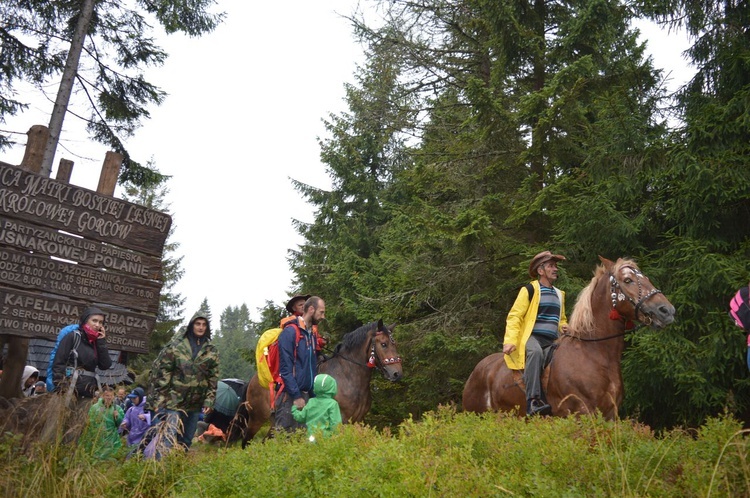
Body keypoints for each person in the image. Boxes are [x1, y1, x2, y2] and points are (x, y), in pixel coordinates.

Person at [502, 251, 569, 416]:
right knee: (535, 352)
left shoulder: (560, 295)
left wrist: (564, 326)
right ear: (541, 271)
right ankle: (533, 401)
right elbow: (515, 316)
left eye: (556, 266)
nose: (555, 269)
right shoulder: (530, 289)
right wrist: (510, 340)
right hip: (532, 338)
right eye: (551, 266)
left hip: (552, 340)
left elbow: (560, 318)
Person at [147, 311, 219, 454]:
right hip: (173, 400)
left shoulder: (211, 351)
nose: (200, 327)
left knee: (186, 440)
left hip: (195, 402)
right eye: (198, 324)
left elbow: (213, 378)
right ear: (192, 325)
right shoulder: (177, 346)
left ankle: (178, 468)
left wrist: (209, 400)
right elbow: (164, 372)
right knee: (168, 436)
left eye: (204, 324)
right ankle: (159, 470)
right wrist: (160, 399)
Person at [274, 296, 326, 432]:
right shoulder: (290, 332)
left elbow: (311, 368)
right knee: (283, 439)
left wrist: (314, 396)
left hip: (305, 395)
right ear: (311, 309)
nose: (323, 316)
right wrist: (296, 396)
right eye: (321, 312)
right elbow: (285, 369)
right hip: (290, 396)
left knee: (302, 440)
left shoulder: (311, 334)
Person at [51, 306, 112, 397]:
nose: (97, 325)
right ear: (85, 320)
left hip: (88, 391)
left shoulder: (97, 342)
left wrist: (101, 341)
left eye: (100, 322)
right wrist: (62, 388)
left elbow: (105, 365)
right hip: (69, 390)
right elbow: (58, 363)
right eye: (94, 320)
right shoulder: (73, 337)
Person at [291, 373, 342, 441]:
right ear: (332, 387)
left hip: (311, 438)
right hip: (326, 440)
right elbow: (336, 424)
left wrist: (294, 409)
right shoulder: (332, 404)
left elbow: (301, 417)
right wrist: (337, 438)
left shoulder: (311, 402)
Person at [81, 385, 125, 460]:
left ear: (113, 396)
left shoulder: (117, 408)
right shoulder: (95, 407)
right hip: (97, 437)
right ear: (102, 396)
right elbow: (90, 421)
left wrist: (117, 417)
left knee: (109, 459)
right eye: (107, 395)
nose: (109, 397)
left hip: (111, 438)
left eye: (111, 395)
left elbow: (120, 425)